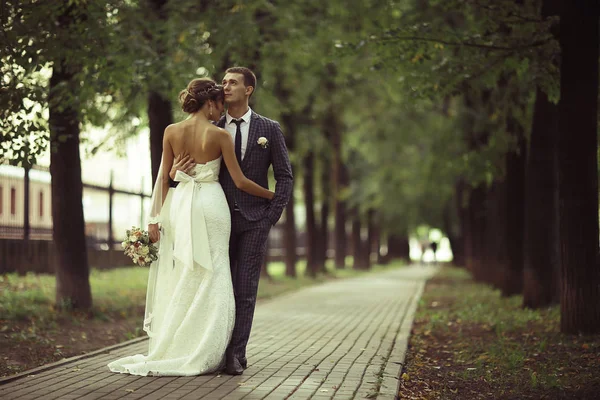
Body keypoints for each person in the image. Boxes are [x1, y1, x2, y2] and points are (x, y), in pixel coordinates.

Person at [107, 77, 274, 377]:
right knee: (215, 272)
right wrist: (271, 194)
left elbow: (163, 177)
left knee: (186, 271)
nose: (220, 110)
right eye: (219, 104)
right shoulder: (220, 135)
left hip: (181, 205)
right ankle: (208, 346)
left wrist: (154, 218)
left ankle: (178, 343)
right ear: (210, 103)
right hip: (212, 206)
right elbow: (239, 181)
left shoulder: (171, 131)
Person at [170, 67, 293, 375]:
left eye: (232, 83)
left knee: (245, 288)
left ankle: (235, 353)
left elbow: (285, 176)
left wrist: (271, 215)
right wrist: (175, 173)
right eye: (223, 82)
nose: (225, 87)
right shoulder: (211, 124)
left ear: (248, 89)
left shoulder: (270, 128)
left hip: (255, 221)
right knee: (216, 285)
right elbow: (180, 174)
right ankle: (213, 348)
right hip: (216, 218)